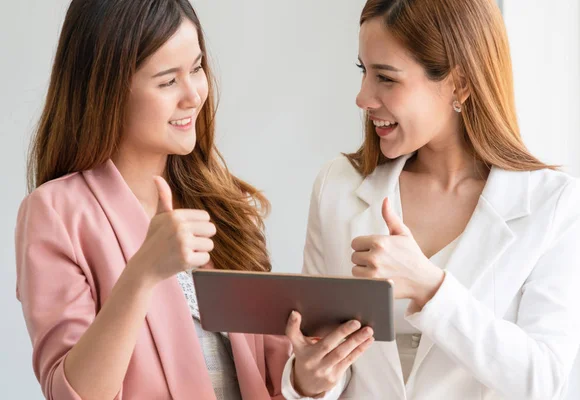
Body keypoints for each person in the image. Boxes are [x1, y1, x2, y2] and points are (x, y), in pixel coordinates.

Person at [14, 1, 371, 399]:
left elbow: (273, 379)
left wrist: (305, 379)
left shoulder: (224, 204)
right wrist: (142, 274)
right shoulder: (57, 213)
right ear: (107, 88)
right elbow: (71, 393)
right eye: (167, 81)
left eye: (197, 68)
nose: (194, 95)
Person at [285, 0, 580, 399]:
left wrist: (430, 287)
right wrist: (308, 381)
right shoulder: (338, 186)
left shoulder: (558, 207)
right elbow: (322, 351)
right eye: (364, 71)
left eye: (386, 78)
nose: (363, 98)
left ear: (460, 83)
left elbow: (543, 381)